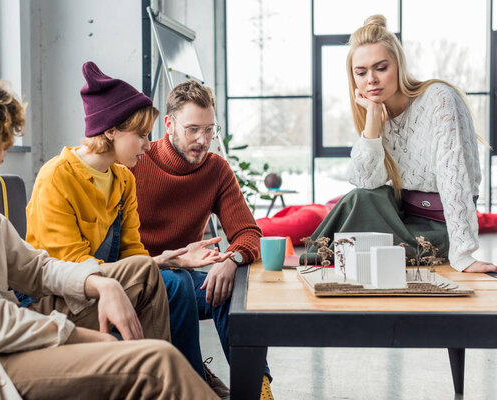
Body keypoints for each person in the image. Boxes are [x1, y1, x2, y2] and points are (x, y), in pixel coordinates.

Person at [0, 73, 217, 399]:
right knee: (156, 363)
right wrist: (80, 337)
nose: (10, 143)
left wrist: (100, 282)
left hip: (4, 342)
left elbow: (33, 266)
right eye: (3, 134)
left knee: (150, 295)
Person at [24, 62, 232, 396]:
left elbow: (133, 252)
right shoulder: (57, 177)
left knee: (177, 281)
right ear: (109, 131)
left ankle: (189, 380)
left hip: (107, 281)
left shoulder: (122, 179)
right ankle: (190, 384)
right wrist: (160, 265)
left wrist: (167, 259)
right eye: (140, 135)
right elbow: (70, 266)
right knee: (175, 285)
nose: (148, 144)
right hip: (61, 295)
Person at [301, 15, 497, 273]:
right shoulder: (378, 113)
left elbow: (455, 179)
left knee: (360, 248)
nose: (370, 79)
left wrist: (463, 255)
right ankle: (328, 258)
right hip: (402, 218)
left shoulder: (439, 98)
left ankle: (327, 257)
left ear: (399, 66)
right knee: (358, 199)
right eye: (361, 72)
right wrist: (373, 120)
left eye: (381, 68)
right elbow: (367, 184)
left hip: (440, 228)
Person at [131, 80, 274, 399]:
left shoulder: (216, 170)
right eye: (193, 129)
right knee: (179, 281)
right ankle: (195, 387)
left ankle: (256, 389)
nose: (203, 139)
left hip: (182, 278)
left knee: (235, 285)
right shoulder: (136, 162)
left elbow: (248, 234)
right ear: (168, 125)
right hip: (140, 278)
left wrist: (230, 261)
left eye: (210, 129)